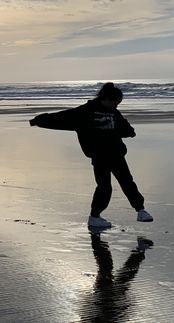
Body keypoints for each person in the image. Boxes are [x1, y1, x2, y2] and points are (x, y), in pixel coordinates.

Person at [29, 82, 153, 227]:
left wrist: (129, 132)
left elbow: (125, 128)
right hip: (99, 156)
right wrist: (37, 121)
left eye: (118, 103)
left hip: (116, 154)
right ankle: (94, 217)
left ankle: (141, 211)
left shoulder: (114, 112)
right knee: (104, 187)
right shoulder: (85, 112)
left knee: (127, 182)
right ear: (105, 98)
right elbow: (61, 117)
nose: (116, 106)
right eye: (114, 102)